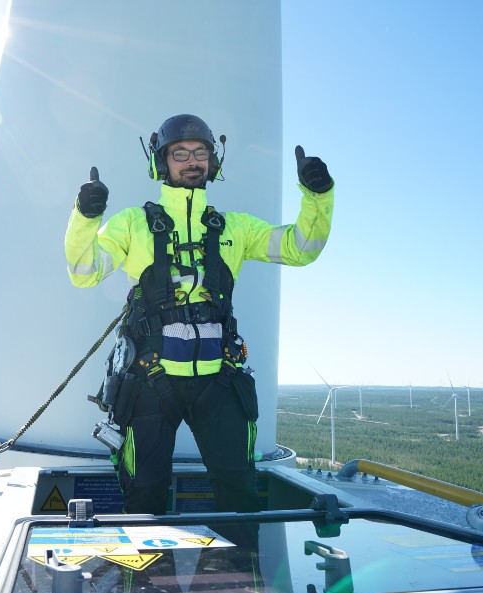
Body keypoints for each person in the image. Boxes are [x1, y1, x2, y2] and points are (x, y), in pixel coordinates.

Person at [65, 114, 334, 515]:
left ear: (213, 161)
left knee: (240, 495)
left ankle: (242, 558)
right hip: (150, 380)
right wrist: (86, 217)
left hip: (218, 379)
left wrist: (318, 196)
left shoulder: (236, 228)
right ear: (161, 162)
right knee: (144, 498)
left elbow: (301, 248)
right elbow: (84, 272)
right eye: (180, 153)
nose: (192, 161)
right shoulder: (133, 223)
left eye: (200, 152)